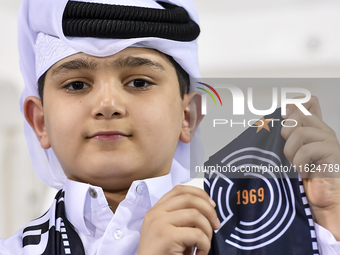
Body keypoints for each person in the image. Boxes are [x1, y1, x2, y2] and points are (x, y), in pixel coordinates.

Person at [0, 0, 339, 255]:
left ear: (188, 116)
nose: (107, 104)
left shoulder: (271, 229)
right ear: (39, 122)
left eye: (138, 82)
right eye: (76, 85)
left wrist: (332, 219)